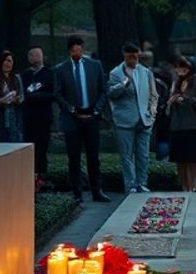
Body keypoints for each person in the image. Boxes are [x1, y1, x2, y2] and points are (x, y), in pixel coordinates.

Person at [53, 36, 109, 203]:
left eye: (80, 50)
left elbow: (103, 90)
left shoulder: (95, 65)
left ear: (83, 49)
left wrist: (97, 110)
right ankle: (77, 193)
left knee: (93, 156)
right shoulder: (61, 69)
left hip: (92, 115)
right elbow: (58, 94)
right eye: (74, 51)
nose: (78, 53)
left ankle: (97, 190)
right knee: (73, 157)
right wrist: (72, 110)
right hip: (72, 117)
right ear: (70, 51)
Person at [108, 42, 159, 194]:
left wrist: (152, 111)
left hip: (145, 119)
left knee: (143, 154)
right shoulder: (116, 73)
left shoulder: (145, 72)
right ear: (124, 56)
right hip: (124, 120)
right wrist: (124, 83)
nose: (133, 59)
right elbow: (111, 93)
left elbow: (153, 94)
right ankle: (130, 185)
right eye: (130, 57)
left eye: (136, 57)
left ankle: (142, 183)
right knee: (127, 154)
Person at [167, 54, 196, 192]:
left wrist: (184, 99)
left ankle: (193, 185)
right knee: (180, 159)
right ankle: (184, 186)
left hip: (192, 125)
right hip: (177, 125)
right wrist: (171, 100)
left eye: (184, 67)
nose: (181, 70)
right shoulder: (176, 81)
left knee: (191, 159)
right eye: (178, 67)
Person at [21, 46, 55, 183]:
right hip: (28, 117)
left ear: (42, 56)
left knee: (42, 147)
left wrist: (36, 96)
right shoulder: (25, 75)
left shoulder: (49, 74)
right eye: (31, 55)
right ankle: (28, 176)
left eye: (36, 54)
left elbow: (53, 94)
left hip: (43, 117)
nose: (33, 57)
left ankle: (41, 177)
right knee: (29, 147)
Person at [0, 50, 25, 143]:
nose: (7, 63)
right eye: (5, 60)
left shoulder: (16, 79)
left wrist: (15, 99)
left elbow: (21, 97)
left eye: (10, 61)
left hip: (14, 122)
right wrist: (1, 100)